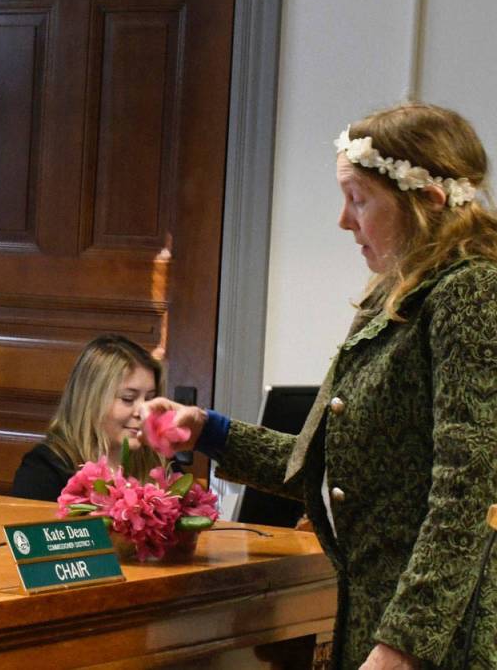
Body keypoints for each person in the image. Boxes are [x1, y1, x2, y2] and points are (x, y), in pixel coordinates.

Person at [148, 103, 497, 669]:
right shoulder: (391, 301)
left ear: (427, 201)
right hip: (372, 618)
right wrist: (209, 432)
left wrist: (404, 646)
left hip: (438, 644)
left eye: (358, 198)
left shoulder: (470, 291)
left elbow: (468, 490)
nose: (343, 219)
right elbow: (335, 467)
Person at [11, 334, 162, 501]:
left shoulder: (158, 460)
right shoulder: (44, 468)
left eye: (149, 399)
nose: (144, 412)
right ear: (91, 400)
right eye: (128, 399)